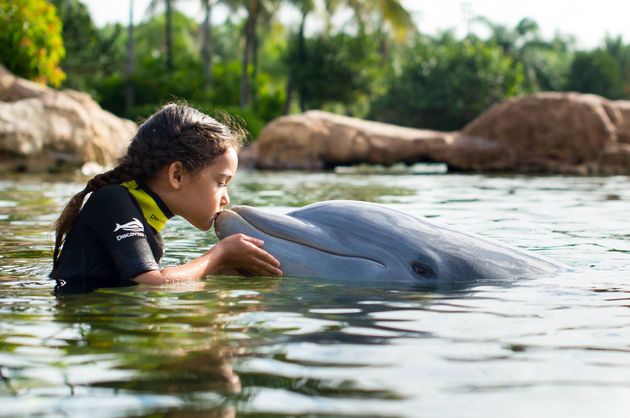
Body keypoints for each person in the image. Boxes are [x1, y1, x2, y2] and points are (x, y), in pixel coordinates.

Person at [50, 103, 282, 294]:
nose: (226, 199)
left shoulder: (147, 227)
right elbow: (151, 283)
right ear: (177, 175)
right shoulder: (114, 200)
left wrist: (219, 267)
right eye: (220, 183)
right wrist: (218, 255)